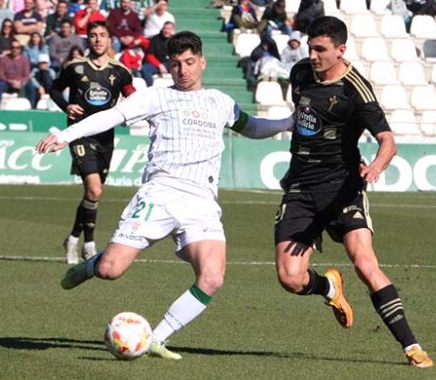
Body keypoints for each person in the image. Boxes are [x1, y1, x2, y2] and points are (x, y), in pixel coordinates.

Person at [36, 30, 292, 360]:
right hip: (160, 193)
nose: (182, 70)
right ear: (168, 67)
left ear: (202, 62)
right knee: (110, 269)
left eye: (188, 62)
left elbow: (252, 127)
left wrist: (286, 123)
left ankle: (156, 338)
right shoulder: (155, 97)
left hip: (201, 201)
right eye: (175, 64)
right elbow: (110, 116)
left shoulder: (221, 102)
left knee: (212, 278)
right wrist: (65, 135)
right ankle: (89, 267)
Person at [273, 16, 434, 368]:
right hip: (301, 189)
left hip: (343, 186)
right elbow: (304, 121)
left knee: (364, 262)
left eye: (320, 49)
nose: (312, 55)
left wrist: (375, 167)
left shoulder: (355, 90)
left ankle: (411, 346)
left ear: (340, 50)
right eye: (310, 46)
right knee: (289, 277)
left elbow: (388, 142)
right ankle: (328, 289)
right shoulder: (300, 74)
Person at [48, 20, 136, 264]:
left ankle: (74, 238)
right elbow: (54, 89)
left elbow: (134, 98)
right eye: (93, 35)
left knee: (93, 194)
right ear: (88, 39)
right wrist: (66, 105)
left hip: (106, 137)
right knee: (94, 189)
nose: (98, 39)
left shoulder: (120, 71)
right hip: (80, 135)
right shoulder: (76, 67)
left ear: (110, 40)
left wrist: (130, 112)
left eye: (102, 35)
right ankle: (90, 244)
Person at [140, 20, 173, 86]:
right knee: (145, 69)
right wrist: (159, 65)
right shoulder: (155, 39)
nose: (166, 31)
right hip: (157, 64)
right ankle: (150, 89)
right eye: (165, 28)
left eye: (169, 29)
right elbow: (149, 56)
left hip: (171, 64)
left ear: (172, 30)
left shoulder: (175, 40)